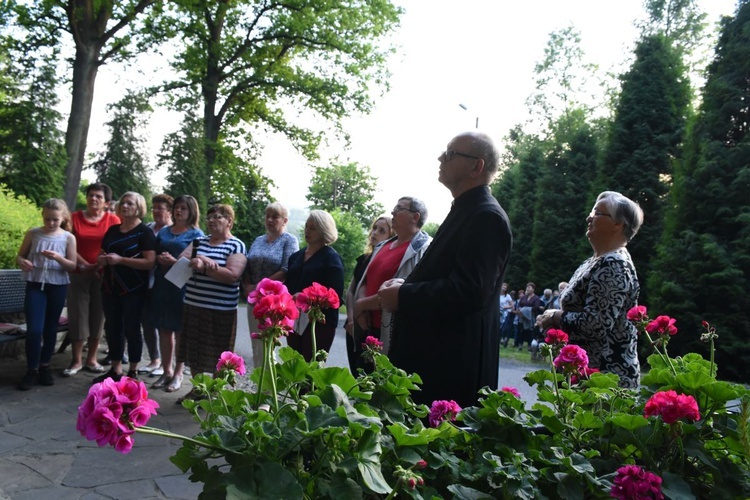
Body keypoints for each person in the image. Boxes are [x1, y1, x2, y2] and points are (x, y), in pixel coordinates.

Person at [379, 131, 512, 408]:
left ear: (477, 166)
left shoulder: (486, 217)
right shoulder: (466, 210)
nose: (441, 158)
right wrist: (405, 285)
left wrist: (404, 296)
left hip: (450, 368)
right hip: (438, 359)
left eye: (451, 154)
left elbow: (469, 292)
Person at [537, 191, 644, 388]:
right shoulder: (597, 260)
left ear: (617, 224)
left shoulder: (614, 264)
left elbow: (596, 324)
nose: (589, 217)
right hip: (588, 376)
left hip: (604, 381)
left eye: (597, 212)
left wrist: (555, 316)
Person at [175, 204, 247, 396]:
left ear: (229, 222)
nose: (212, 221)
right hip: (194, 305)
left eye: (218, 217)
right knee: (194, 349)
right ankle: (198, 389)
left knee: (219, 352)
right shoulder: (199, 241)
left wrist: (204, 266)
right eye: (209, 218)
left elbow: (233, 275)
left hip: (221, 309)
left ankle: (215, 393)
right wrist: (200, 259)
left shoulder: (236, 245)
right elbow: (181, 260)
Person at [351, 197, 431, 367]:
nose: (393, 212)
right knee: (362, 386)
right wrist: (360, 310)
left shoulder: (424, 250)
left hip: (391, 334)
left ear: (415, 217)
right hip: (367, 328)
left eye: (399, 208)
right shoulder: (383, 246)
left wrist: (362, 305)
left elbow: (402, 292)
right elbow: (365, 280)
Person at [93, 192, 157, 383]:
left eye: (130, 203)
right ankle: (115, 369)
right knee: (112, 327)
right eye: (123, 203)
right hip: (109, 286)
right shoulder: (112, 230)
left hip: (133, 289)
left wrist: (120, 260)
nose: (125, 206)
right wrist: (101, 260)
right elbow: (101, 253)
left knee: (131, 328)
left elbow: (149, 262)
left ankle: (133, 371)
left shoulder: (145, 232)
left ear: (139, 208)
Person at [16, 199, 78, 390]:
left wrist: (58, 258)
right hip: (35, 285)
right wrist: (22, 262)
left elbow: (73, 265)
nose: (51, 223)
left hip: (57, 286)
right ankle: (32, 369)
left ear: (63, 218)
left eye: (55, 220)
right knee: (35, 329)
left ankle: (45, 366)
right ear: (42, 215)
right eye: (48, 219)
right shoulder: (33, 233)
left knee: (51, 328)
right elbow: (20, 255)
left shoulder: (68, 237)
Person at [148, 195, 204, 391]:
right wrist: (159, 258)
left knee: (179, 330)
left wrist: (173, 262)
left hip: (182, 286)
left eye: (184, 208)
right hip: (162, 284)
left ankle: (179, 373)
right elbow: (151, 253)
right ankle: (166, 371)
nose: (179, 211)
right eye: (177, 207)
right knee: (163, 329)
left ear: (192, 212)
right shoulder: (164, 231)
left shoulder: (196, 235)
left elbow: (197, 264)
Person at [64, 182, 120, 376]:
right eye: (91, 195)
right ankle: (76, 360)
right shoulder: (74, 218)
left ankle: (92, 358)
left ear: (106, 202)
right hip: (78, 273)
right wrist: (84, 265)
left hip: (103, 274)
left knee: (98, 316)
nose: (94, 199)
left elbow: (114, 245)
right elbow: (68, 244)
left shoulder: (113, 220)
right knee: (78, 315)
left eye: (99, 196)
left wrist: (97, 265)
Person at [242, 202, 299, 370]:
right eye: (268, 216)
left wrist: (260, 287)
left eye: (275, 217)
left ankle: (270, 389)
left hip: (274, 301)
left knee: (269, 344)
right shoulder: (259, 240)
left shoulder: (289, 240)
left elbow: (287, 268)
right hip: (254, 298)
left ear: (285, 221)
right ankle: (260, 385)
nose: (270, 220)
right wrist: (247, 286)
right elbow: (247, 263)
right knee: (257, 343)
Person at [285, 210, 344, 362]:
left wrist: (306, 299)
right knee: (294, 363)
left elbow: (336, 295)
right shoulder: (296, 257)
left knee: (311, 365)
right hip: (295, 318)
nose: (307, 231)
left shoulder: (332, 259)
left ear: (324, 230)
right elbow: (288, 284)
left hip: (320, 322)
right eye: (306, 226)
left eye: (312, 228)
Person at [344, 215, 394, 373]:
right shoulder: (364, 259)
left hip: (373, 325)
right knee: (356, 371)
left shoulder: (386, 261)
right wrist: (351, 319)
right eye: (374, 228)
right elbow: (351, 291)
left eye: (382, 230)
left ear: (390, 237)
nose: (375, 233)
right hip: (354, 325)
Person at [139, 194, 174, 376]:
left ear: (169, 211)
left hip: (164, 283)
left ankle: (166, 365)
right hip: (145, 281)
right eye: (154, 208)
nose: (156, 211)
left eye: (160, 208)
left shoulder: (172, 232)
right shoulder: (147, 229)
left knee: (163, 325)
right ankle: (154, 359)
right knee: (147, 322)